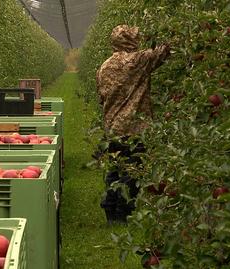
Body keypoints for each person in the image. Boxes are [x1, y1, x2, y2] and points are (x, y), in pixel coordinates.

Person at [96, 25, 170, 224]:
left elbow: (101, 97)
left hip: (111, 127)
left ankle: (110, 207)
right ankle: (123, 211)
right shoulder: (138, 61)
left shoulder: (104, 66)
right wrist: (168, 28)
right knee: (132, 171)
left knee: (115, 168)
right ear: (131, 40)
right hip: (134, 128)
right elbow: (164, 50)